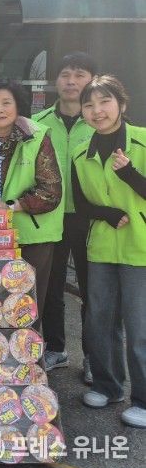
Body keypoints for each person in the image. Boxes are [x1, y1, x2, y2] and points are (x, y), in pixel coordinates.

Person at [72, 75, 146, 428]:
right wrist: (106, 214)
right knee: (99, 320)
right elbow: (80, 204)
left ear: (121, 104)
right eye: (89, 105)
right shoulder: (80, 152)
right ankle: (107, 385)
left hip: (140, 247)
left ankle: (143, 400)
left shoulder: (143, 141)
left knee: (140, 326)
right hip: (101, 247)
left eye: (105, 102)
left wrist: (129, 173)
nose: (97, 111)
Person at [0, 80, 63, 323]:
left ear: (18, 106)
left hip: (31, 235)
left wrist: (11, 206)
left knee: (26, 308)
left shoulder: (35, 136)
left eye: (6, 103)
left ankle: (29, 348)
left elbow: (51, 191)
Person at [32, 53, 97, 379]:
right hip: (49, 217)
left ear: (92, 80)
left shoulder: (101, 121)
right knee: (50, 288)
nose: (71, 81)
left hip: (92, 218)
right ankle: (55, 348)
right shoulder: (36, 123)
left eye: (80, 74)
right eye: (65, 75)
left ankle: (93, 357)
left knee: (92, 290)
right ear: (55, 81)